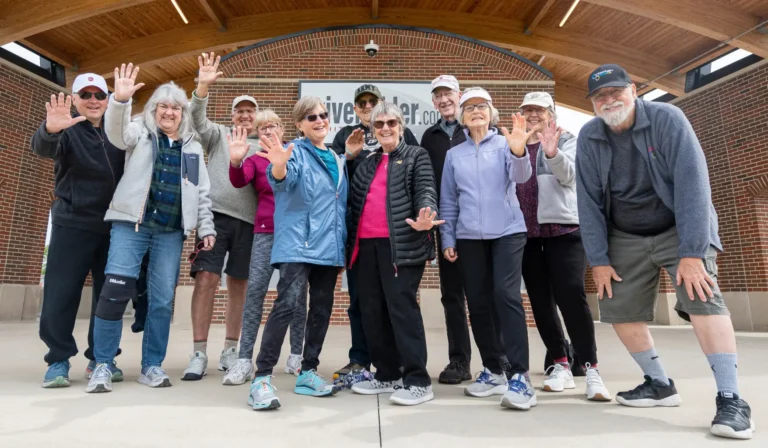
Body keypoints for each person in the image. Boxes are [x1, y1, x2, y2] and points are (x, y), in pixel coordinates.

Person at [575, 64, 754, 439]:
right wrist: (600, 260)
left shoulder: (668, 119)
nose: (609, 101)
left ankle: (731, 398)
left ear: (634, 90)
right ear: (593, 103)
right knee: (618, 306)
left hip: (679, 225)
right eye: (600, 96)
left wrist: (692, 252)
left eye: (615, 92)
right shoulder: (590, 136)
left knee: (702, 296)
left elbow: (693, 183)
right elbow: (588, 202)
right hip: (624, 231)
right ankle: (658, 384)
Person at [85, 64, 216, 393]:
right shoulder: (139, 133)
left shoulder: (192, 149)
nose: (169, 112)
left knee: (160, 301)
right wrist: (120, 100)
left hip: (170, 233)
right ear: (154, 109)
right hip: (132, 226)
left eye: (175, 107)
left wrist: (206, 228)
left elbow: (201, 194)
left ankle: (152, 366)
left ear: (183, 113)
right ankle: (102, 364)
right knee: (114, 294)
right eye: (163, 106)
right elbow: (115, 133)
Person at [247, 96, 347, 410]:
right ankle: (261, 378)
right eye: (311, 117)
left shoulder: (335, 156)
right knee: (287, 306)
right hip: (298, 243)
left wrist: (340, 247)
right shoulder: (295, 153)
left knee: (320, 309)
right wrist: (277, 165)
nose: (319, 121)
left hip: (329, 248)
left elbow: (337, 204)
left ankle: (308, 372)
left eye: (322, 115)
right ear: (300, 125)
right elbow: (283, 180)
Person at [440, 87, 535, 410]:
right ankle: (493, 369)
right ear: (462, 118)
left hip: (508, 232)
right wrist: (448, 239)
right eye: (469, 108)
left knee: (505, 296)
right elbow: (449, 200)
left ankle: (520, 375)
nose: (476, 111)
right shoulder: (455, 155)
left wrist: (519, 152)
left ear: (491, 113)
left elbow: (520, 178)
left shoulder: (505, 144)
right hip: (468, 237)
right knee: (478, 303)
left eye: (482, 106)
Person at [514, 91, 611, 401]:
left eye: (539, 110)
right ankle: (560, 363)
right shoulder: (515, 143)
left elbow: (570, 177)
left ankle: (591, 367)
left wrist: (552, 153)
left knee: (571, 296)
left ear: (550, 113)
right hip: (527, 235)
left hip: (564, 229)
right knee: (540, 302)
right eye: (528, 110)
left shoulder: (567, 138)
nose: (533, 115)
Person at [32, 74, 126, 388]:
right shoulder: (67, 129)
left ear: (107, 98)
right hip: (72, 222)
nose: (93, 99)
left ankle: (101, 357)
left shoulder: (119, 130)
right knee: (61, 293)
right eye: (85, 94)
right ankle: (58, 359)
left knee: (107, 297)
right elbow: (43, 146)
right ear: (74, 99)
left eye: (99, 94)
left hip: (114, 227)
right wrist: (50, 130)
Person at [346, 102, 440, 406]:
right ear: (373, 130)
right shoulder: (368, 162)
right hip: (366, 247)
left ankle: (417, 380)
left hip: (401, 245)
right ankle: (387, 374)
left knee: (402, 310)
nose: (385, 128)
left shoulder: (417, 156)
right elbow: (352, 199)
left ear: (400, 125)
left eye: (390, 122)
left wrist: (427, 214)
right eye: (379, 124)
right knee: (372, 311)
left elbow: (426, 189)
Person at [331, 83, 419, 380]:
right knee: (361, 301)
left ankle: (399, 364)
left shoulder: (402, 135)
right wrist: (349, 156)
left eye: (372, 101)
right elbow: (334, 179)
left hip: (394, 236)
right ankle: (360, 359)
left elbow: (417, 177)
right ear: (355, 108)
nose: (367, 107)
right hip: (359, 233)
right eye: (362, 103)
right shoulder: (345, 136)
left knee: (395, 303)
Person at [182, 53, 259, 380]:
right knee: (207, 279)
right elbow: (196, 119)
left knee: (239, 285)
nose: (244, 115)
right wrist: (202, 87)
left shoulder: (267, 143)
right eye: (239, 110)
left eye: (249, 111)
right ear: (231, 116)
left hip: (251, 224)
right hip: (214, 218)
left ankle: (231, 349)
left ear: (257, 117)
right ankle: (199, 352)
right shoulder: (218, 135)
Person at [223, 111, 308, 386]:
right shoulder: (255, 160)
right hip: (265, 233)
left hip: (295, 235)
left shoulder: (297, 155)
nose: (269, 130)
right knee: (255, 292)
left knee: (296, 296)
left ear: (283, 130)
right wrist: (235, 161)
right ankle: (245, 360)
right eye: (263, 128)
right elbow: (239, 180)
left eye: (273, 126)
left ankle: (297, 355)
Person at [419, 75, 473, 385]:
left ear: (459, 95)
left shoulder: (477, 129)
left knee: (487, 294)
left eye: (448, 93)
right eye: (438, 95)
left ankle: (499, 358)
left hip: (481, 225)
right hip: (447, 226)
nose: (444, 100)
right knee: (452, 296)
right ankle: (459, 361)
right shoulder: (430, 136)